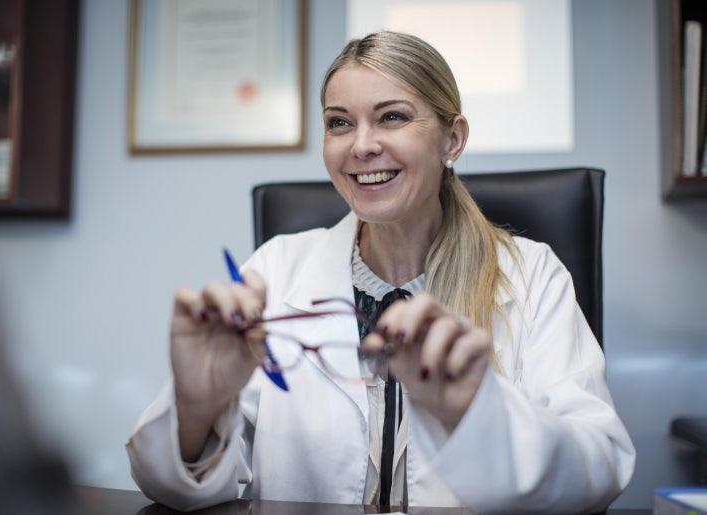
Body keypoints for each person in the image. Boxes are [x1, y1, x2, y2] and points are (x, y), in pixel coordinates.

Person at [127, 31, 635, 514]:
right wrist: (197, 408)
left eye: (391, 117)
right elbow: (173, 481)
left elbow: (599, 463)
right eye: (339, 123)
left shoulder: (531, 275)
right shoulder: (276, 271)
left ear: (452, 139)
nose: (361, 146)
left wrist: (479, 415)